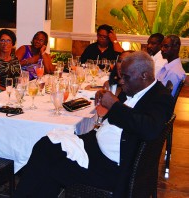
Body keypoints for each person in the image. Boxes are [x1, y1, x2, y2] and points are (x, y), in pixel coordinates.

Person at [13, 51, 174, 198]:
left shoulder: (160, 97)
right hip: (98, 149)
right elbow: (124, 117)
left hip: (113, 169)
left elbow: (149, 129)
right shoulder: (136, 89)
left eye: (125, 77)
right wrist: (110, 101)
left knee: (45, 160)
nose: (122, 82)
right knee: (46, 146)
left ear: (144, 76)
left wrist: (115, 105)